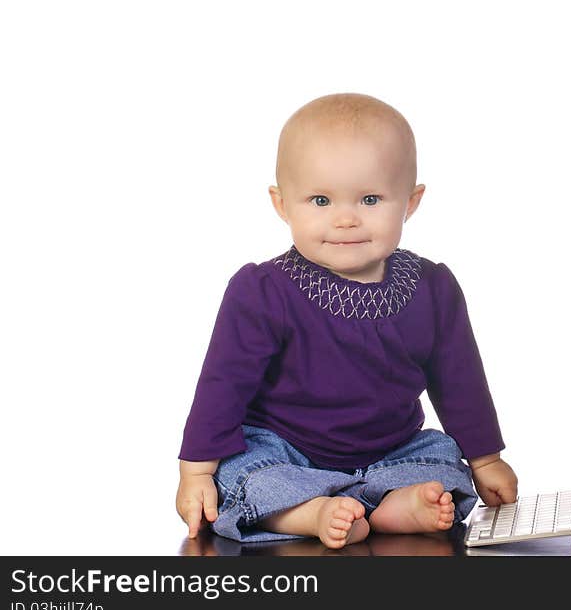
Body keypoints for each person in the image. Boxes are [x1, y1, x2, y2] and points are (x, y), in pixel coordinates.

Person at [175, 92, 518, 548]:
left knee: (442, 461)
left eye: (370, 199)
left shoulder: (432, 288)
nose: (345, 219)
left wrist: (485, 459)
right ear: (282, 205)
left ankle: (399, 504)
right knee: (242, 474)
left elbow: (460, 381)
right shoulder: (262, 291)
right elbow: (223, 383)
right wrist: (196, 470)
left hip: (392, 450)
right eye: (320, 200)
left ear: (410, 202)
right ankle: (308, 511)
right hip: (287, 451)